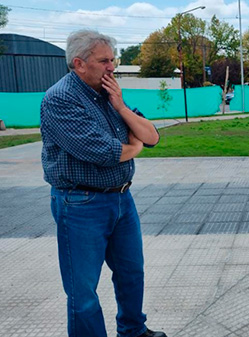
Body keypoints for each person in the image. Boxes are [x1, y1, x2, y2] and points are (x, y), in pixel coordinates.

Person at [40, 30, 165, 337]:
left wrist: (121, 108)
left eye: (113, 59)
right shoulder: (60, 99)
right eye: (104, 61)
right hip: (81, 204)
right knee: (82, 293)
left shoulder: (108, 94)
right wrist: (133, 148)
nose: (112, 67)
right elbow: (104, 153)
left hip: (122, 200)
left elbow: (152, 137)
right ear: (80, 63)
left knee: (131, 273)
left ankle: (133, 331)